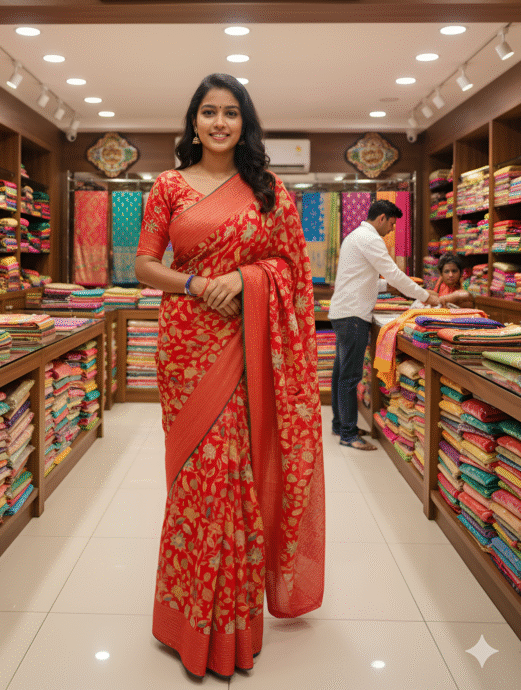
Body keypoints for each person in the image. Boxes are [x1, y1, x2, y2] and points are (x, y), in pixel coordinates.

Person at [135, 73, 325, 679]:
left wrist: (244, 280)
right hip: (186, 345)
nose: (220, 123)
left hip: (247, 346)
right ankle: (185, 619)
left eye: (231, 113)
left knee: (232, 477)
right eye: (209, 112)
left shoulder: (269, 192)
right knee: (194, 480)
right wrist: (197, 283)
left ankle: (231, 625)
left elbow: (293, 271)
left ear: (245, 124)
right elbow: (145, 265)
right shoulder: (168, 186)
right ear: (194, 122)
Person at [328, 200, 440, 450]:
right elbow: (394, 274)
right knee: (349, 377)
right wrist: (425, 296)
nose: (391, 230)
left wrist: (389, 286)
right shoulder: (370, 239)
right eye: (391, 223)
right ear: (381, 218)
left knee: (341, 374)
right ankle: (348, 434)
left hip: (343, 313)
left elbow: (360, 277)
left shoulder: (355, 236)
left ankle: (340, 425)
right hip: (353, 317)